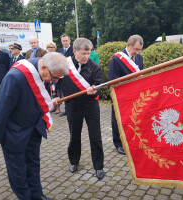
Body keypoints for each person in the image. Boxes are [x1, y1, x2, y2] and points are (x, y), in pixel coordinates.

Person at [0, 52, 69, 200]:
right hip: (15, 133)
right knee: (18, 171)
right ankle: (25, 197)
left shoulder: (44, 69)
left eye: (58, 78)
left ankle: (37, 195)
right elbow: (0, 109)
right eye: (54, 77)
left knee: (33, 165)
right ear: (44, 67)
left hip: (34, 129)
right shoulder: (16, 76)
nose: (56, 81)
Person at [62, 38, 104, 180]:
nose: (86, 56)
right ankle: (74, 161)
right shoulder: (65, 66)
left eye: (88, 53)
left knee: (95, 137)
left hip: (91, 107)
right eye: (83, 53)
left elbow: (99, 84)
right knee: (74, 136)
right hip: (73, 107)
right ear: (74, 51)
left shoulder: (95, 67)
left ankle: (98, 166)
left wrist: (95, 91)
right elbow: (58, 82)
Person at [108, 34, 144, 155]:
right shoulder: (117, 59)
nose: (137, 52)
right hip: (120, 95)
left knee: (132, 118)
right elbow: (112, 80)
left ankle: (130, 140)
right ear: (129, 45)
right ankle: (118, 143)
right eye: (136, 49)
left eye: (139, 50)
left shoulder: (139, 58)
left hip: (134, 95)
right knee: (117, 119)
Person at [58, 34, 74, 117]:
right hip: (62, 75)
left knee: (72, 93)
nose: (64, 42)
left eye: (66, 41)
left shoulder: (73, 50)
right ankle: (67, 110)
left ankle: (72, 109)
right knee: (64, 93)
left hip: (71, 74)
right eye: (63, 41)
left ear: (69, 41)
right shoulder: (60, 50)